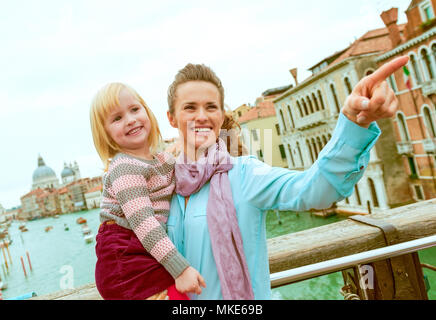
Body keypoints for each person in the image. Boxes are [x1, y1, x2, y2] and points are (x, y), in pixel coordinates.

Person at [165, 56, 409, 299]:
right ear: (172, 119)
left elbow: (314, 190)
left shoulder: (245, 174)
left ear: (220, 115)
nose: (202, 116)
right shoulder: (162, 184)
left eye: (211, 107)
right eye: (190, 107)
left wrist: (354, 123)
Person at [90, 82, 206, 300]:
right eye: (117, 118)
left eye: (134, 109)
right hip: (125, 263)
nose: (131, 120)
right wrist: (180, 269)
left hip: (145, 252)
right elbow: (145, 224)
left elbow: (188, 177)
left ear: (146, 111)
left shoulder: (162, 161)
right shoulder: (124, 167)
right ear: (105, 134)